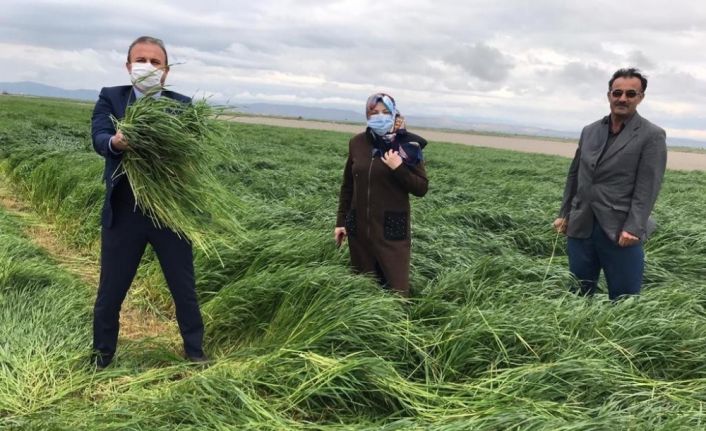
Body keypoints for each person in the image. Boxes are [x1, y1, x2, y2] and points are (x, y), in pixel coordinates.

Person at [90, 36, 206, 368]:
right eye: (141, 60)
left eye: (156, 62)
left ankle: (195, 352)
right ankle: (102, 355)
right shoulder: (111, 97)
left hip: (168, 212)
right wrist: (116, 141)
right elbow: (99, 136)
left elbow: (192, 149)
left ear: (166, 72)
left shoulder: (181, 105)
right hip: (124, 212)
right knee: (110, 290)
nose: (148, 67)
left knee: (183, 287)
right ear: (128, 67)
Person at [554, 68, 667, 300]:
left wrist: (634, 228)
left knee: (624, 297)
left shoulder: (651, 135)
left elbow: (648, 187)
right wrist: (565, 213)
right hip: (581, 224)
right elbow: (575, 175)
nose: (623, 98)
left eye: (630, 94)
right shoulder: (590, 131)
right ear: (609, 95)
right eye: (617, 92)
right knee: (578, 293)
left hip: (620, 230)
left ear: (641, 97)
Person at [335, 93, 429, 297]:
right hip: (358, 230)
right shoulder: (357, 143)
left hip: (391, 232)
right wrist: (341, 222)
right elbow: (348, 185)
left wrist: (399, 168)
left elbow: (421, 188)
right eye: (374, 112)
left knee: (396, 292)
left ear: (394, 113)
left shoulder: (407, 146)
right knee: (363, 292)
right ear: (367, 115)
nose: (379, 116)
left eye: (385, 112)